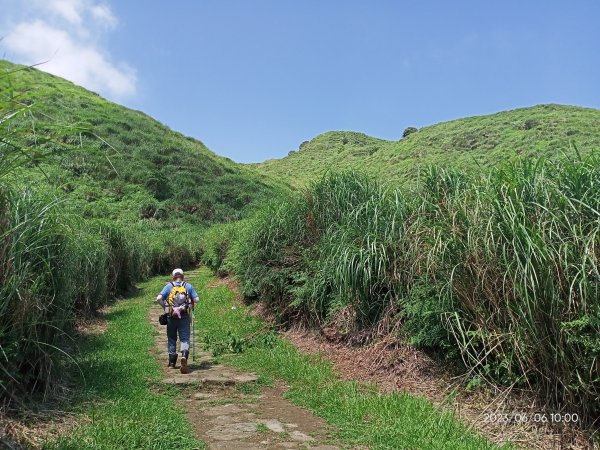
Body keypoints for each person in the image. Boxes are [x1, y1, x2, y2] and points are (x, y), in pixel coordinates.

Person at [156, 268, 199, 374]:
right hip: (184, 317)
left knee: (171, 338)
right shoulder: (188, 286)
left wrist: (167, 310)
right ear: (183, 277)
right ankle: (184, 356)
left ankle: (172, 363)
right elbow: (197, 299)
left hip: (171, 318)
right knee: (184, 338)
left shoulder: (169, 286)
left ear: (173, 277)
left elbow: (158, 298)